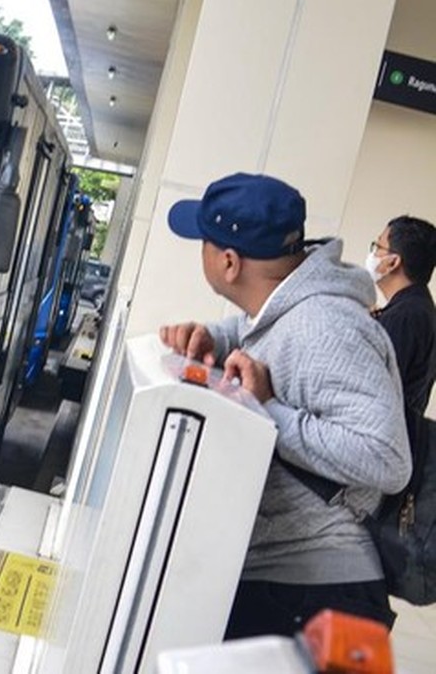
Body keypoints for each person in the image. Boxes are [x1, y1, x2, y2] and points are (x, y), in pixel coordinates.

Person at [158, 172, 410, 639]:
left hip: (317, 597)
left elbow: (387, 457)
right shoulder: (286, 305)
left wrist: (267, 408)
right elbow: (259, 330)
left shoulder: (323, 326)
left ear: (229, 262)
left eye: (205, 242)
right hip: (293, 583)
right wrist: (214, 337)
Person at [367, 215, 436, 491]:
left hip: (376, 459)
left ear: (393, 262)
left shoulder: (406, 317)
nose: (373, 254)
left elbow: (374, 391)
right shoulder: (416, 309)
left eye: (377, 247)